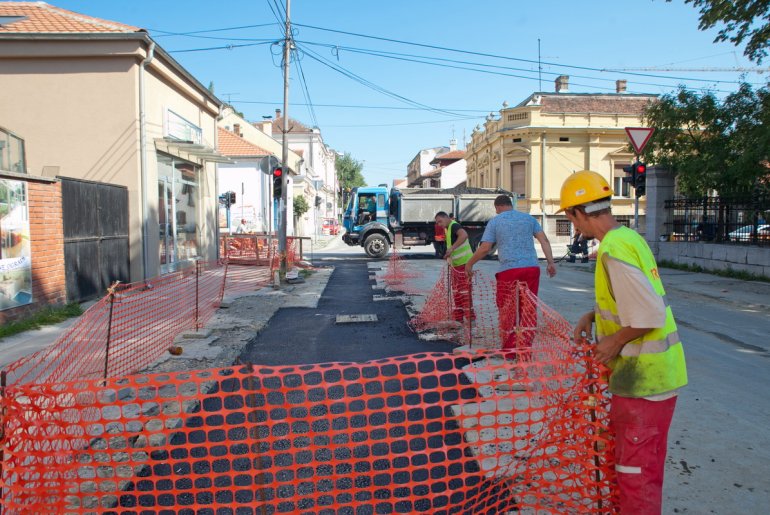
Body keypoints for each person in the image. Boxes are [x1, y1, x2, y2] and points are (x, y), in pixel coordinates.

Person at [559, 170, 687, 514]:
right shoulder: (629, 237)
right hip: (658, 378)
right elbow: (633, 299)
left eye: (570, 218)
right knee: (645, 469)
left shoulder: (612, 251)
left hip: (643, 382)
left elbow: (648, 315)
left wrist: (613, 341)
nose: (574, 227)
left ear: (578, 213)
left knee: (635, 475)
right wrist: (594, 316)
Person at [465, 195, 556, 354]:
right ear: (510, 204)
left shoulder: (495, 221)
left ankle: (510, 349)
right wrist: (550, 262)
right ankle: (526, 348)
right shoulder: (529, 219)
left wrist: (470, 263)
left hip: (509, 271)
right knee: (528, 308)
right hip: (531, 269)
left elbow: (485, 247)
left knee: (507, 309)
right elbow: (544, 241)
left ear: (498, 207)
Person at [435, 211, 473, 322]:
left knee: (464, 292)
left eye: (440, 221)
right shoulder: (449, 229)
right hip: (456, 265)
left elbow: (464, 235)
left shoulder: (454, 225)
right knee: (457, 292)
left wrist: (451, 249)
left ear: (446, 218)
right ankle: (458, 318)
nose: (439, 224)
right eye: (437, 223)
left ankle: (470, 319)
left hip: (464, 264)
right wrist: (448, 255)